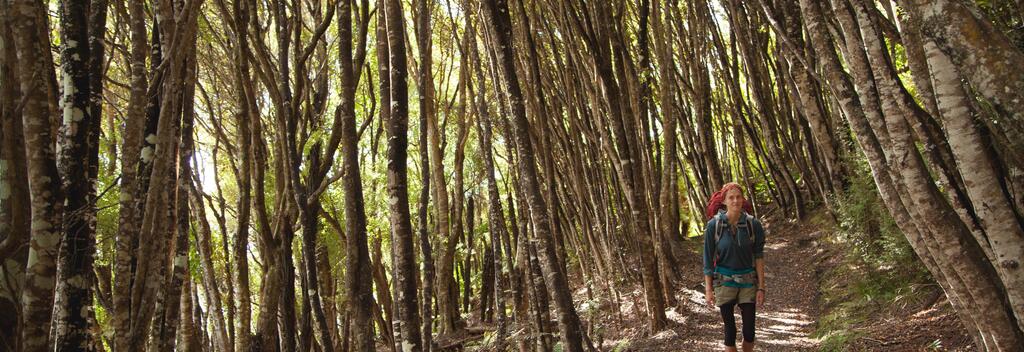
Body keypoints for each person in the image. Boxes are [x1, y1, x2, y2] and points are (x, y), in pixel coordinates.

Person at [703, 182, 766, 352]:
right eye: (731, 197)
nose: (735, 201)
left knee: (749, 331)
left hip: (748, 281)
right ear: (724, 201)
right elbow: (708, 260)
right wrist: (708, 289)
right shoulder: (713, 226)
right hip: (724, 282)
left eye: (738, 197)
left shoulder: (753, 225)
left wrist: (761, 287)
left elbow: (759, 257)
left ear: (743, 199)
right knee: (730, 332)